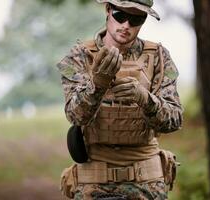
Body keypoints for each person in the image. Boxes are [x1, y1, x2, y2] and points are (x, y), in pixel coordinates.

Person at [57, 0, 183, 199]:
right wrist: (97, 85)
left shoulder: (158, 57)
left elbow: (174, 120)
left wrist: (145, 99)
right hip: (95, 182)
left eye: (135, 19)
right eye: (120, 15)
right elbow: (75, 116)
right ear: (108, 10)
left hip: (147, 183)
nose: (126, 25)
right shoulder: (80, 56)